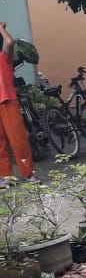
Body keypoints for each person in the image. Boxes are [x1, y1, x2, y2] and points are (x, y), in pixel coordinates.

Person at [0, 22, 37, 187]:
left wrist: (0, 28)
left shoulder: (4, 57)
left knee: (19, 140)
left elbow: (9, 43)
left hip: (8, 101)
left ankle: (28, 174)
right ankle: (6, 177)